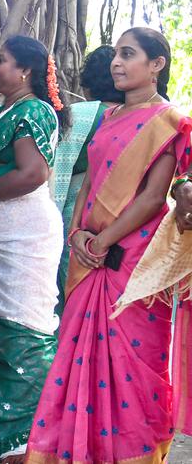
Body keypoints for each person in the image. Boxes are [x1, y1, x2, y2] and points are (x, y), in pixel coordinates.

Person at [25, 27, 192, 464]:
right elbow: (91, 186)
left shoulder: (169, 122)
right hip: (89, 253)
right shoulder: (110, 118)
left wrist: (102, 239)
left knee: (133, 365)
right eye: (116, 54)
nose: (117, 62)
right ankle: (78, 451)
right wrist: (79, 232)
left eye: (129, 54)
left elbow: (155, 196)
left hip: (133, 262)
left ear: (156, 65)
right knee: (79, 356)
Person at [0, 35, 67, 463]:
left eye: (1, 60)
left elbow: (31, 175)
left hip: (23, 233)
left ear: (24, 70)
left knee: (21, 330)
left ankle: (30, 442)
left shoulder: (34, 110)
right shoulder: (3, 109)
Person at [50, 45, 123, 311]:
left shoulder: (78, 115)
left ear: (89, 81)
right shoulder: (139, 117)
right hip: (125, 217)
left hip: (76, 216)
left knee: (69, 298)